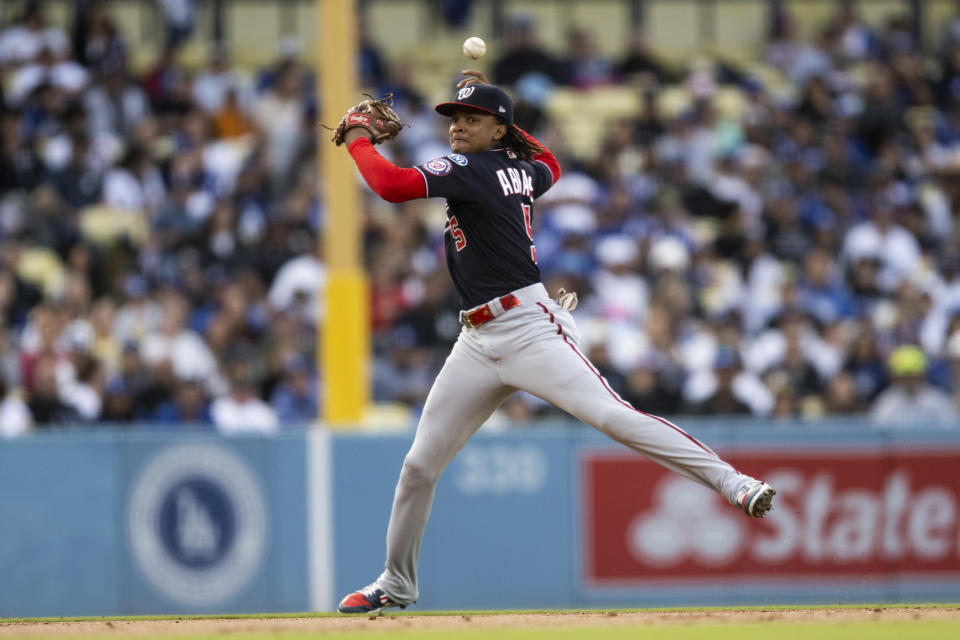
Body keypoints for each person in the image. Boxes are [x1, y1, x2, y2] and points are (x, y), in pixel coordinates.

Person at [333, 70, 776, 614]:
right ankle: (396, 584)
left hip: (529, 329)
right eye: (454, 118)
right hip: (476, 339)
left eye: (472, 119)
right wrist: (502, 117)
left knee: (615, 418)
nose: (457, 127)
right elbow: (553, 164)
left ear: (498, 131)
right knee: (419, 467)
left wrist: (356, 137)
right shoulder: (518, 168)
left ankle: (735, 484)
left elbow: (391, 185)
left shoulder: (472, 169)